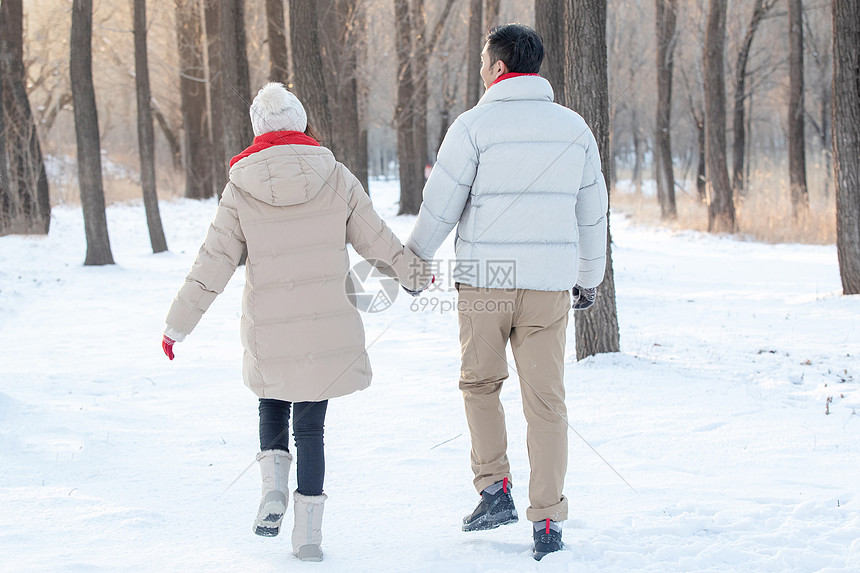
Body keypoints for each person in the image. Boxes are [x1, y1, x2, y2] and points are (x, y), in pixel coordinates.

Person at [161, 82, 429, 562]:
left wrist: (177, 324)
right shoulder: (336, 175)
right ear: (302, 122)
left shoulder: (239, 185)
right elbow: (376, 239)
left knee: (271, 401)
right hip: (326, 325)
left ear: (258, 129)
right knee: (311, 427)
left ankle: (272, 489)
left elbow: (213, 262)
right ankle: (308, 537)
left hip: (269, 325)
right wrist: (413, 274)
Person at [405, 24, 609, 560]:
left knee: (480, 385)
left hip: (486, 280)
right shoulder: (574, 128)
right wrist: (589, 277)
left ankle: (494, 490)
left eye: (481, 61)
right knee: (547, 403)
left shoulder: (473, 126)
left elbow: (440, 205)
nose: (480, 69)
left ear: (497, 67)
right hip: (548, 284)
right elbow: (593, 212)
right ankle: (547, 523)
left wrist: (413, 261)